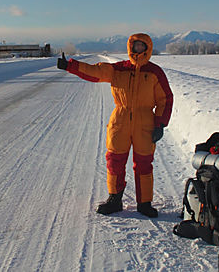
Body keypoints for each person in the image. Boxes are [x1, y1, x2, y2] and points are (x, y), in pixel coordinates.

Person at [57, 33, 173, 217]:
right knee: (114, 160)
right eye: (136, 46)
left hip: (145, 123)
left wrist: (160, 124)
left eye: (142, 46)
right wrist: (71, 66)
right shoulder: (118, 69)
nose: (139, 49)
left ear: (148, 48)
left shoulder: (154, 72)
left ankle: (144, 203)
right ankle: (114, 199)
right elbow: (95, 72)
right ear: (131, 48)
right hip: (120, 120)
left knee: (144, 163)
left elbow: (165, 99)